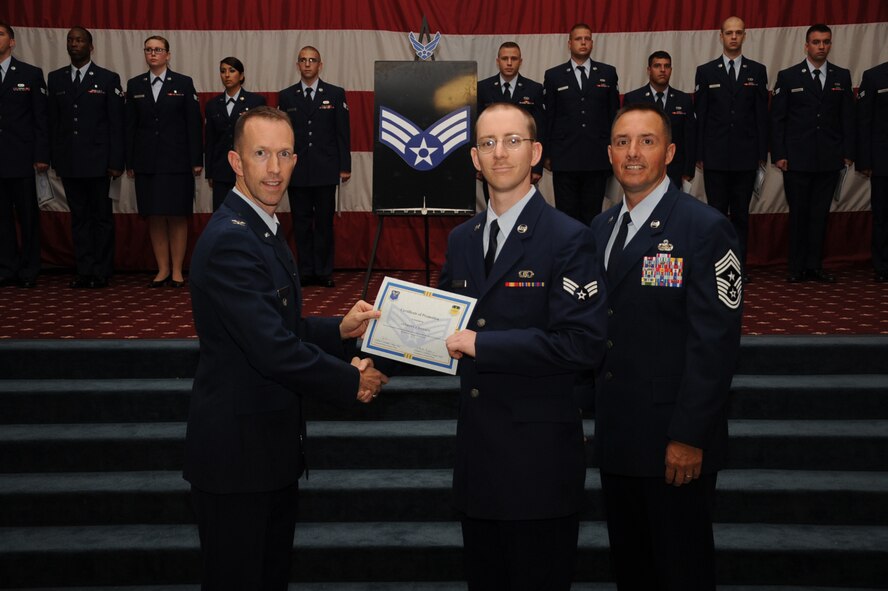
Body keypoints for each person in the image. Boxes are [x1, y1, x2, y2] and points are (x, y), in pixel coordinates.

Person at [185, 106, 387, 590]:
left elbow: (281, 325)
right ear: (235, 161)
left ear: (296, 160)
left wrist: (340, 329)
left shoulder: (261, 228)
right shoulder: (232, 240)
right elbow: (272, 349)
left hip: (266, 453)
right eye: (260, 154)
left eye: (283, 154)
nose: (274, 168)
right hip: (238, 462)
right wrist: (350, 381)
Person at [442, 102, 607, 590]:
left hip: (538, 463)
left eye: (512, 141)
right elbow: (447, 327)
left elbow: (583, 345)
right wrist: (386, 343)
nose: (500, 153)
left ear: (536, 153)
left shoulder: (569, 238)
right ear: (474, 157)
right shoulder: (461, 239)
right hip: (478, 459)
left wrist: (483, 345)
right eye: (488, 143)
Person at [589, 103, 742, 590]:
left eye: (647, 141)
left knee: (681, 570)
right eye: (622, 142)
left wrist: (688, 437)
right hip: (618, 439)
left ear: (670, 152)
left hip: (673, 444)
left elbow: (714, 345)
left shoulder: (705, 228)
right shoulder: (601, 229)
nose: (632, 153)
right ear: (610, 152)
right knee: (632, 570)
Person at [771, 24, 855, 283]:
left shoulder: (842, 76)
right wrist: (780, 154)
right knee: (799, 214)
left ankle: (814, 266)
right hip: (796, 159)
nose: (821, 46)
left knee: (820, 215)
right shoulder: (788, 77)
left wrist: (847, 152)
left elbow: (848, 118)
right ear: (806, 45)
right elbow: (778, 119)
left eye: (826, 42)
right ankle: (796, 268)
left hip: (829, 159)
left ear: (830, 45)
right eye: (816, 42)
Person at [47, 26, 124, 289]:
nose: (74, 44)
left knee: (101, 218)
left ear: (91, 47)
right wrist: (54, 158)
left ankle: (102, 271)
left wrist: (116, 162)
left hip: (100, 162)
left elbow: (116, 123)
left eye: (79, 40)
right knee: (79, 218)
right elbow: (53, 123)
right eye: (70, 40)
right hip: (69, 162)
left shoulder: (107, 78)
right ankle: (84, 270)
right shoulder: (55, 78)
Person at [125, 35, 202, 288]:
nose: (153, 53)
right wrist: (130, 161)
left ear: (168, 55)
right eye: (148, 49)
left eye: (158, 50)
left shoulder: (183, 83)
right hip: (146, 161)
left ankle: (178, 271)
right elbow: (130, 127)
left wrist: (196, 159)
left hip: (177, 161)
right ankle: (162, 269)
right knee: (155, 215)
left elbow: (193, 124)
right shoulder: (135, 84)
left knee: (177, 215)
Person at [694, 16, 768, 280]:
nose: (733, 37)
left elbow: (761, 115)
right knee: (715, 217)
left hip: (746, 157)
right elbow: (700, 116)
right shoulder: (706, 71)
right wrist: (699, 153)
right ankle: (716, 266)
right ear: (721, 36)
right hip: (714, 158)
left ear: (744, 36)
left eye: (738, 33)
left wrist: (762, 154)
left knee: (740, 217)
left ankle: (737, 267)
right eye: (729, 33)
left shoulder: (757, 71)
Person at [278, 46, 350, 288]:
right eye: (303, 60)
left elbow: (342, 132)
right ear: (297, 65)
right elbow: (282, 136)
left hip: (326, 168)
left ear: (320, 65)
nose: (308, 64)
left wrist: (344, 166)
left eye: (312, 60)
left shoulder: (335, 93)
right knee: (300, 223)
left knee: (324, 223)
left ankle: (324, 271)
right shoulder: (286, 96)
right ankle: (305, 271)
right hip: (296, 170)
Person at [543, 22, 619, 225]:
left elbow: (614, 116)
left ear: (592, 43)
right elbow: (549, 116)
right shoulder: (554, 75)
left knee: (592, 214)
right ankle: (568, 255)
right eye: (578, 39)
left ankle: (589, 255)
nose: (583, 42)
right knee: (566, 215)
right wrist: (547, 153)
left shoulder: (607, 73)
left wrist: (615, 148)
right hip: (564, 156)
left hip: (597, 155)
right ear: (569, 44)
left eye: (587, 38)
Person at [0, 21, 49, 289]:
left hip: (22, 158)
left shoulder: (30, 74)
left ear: (12, 41)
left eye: (0, 34)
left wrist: (41, 155)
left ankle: (29, 268)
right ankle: (6, 267)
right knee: (2, 218)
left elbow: (40, 118)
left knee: (28, 216)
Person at [623, 51, 696, 190]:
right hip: (641, 168)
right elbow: (627, 136)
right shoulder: (633, 99)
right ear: (649, 70)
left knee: (673, 211)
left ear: (671, 70)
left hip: (675, 171)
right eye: (657, 66)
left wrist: (688, 171)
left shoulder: (684, 100)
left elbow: (689, 137)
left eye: (666, 66)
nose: (662, 70)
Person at [477, 41, 544, 190]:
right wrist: (479, 165)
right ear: (497, 61)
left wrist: (537, 166)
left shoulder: (534, 89)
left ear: (520, 62)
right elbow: (476, 129)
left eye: (513, 59)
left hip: (523, 161)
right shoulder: (483, 88)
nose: (509, 63)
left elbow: (539, 130)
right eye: (504, 58)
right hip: (492, 160)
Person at [204, 57, 266, 211]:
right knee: (223, 215)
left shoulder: (255, 102)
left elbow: (261, 138)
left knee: (249, 214)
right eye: (223, 71)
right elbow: (210, 140)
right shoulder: (213, 105)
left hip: (248, 169)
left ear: (241, 75)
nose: (227, 75)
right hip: (221, 171)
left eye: (232, 71)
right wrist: (210, 173)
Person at [857, 60, 888, 282]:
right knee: (883, 217)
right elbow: (864, 121)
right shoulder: (875, 76)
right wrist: (865, 161)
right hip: (883, 162)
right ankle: (883, 265)